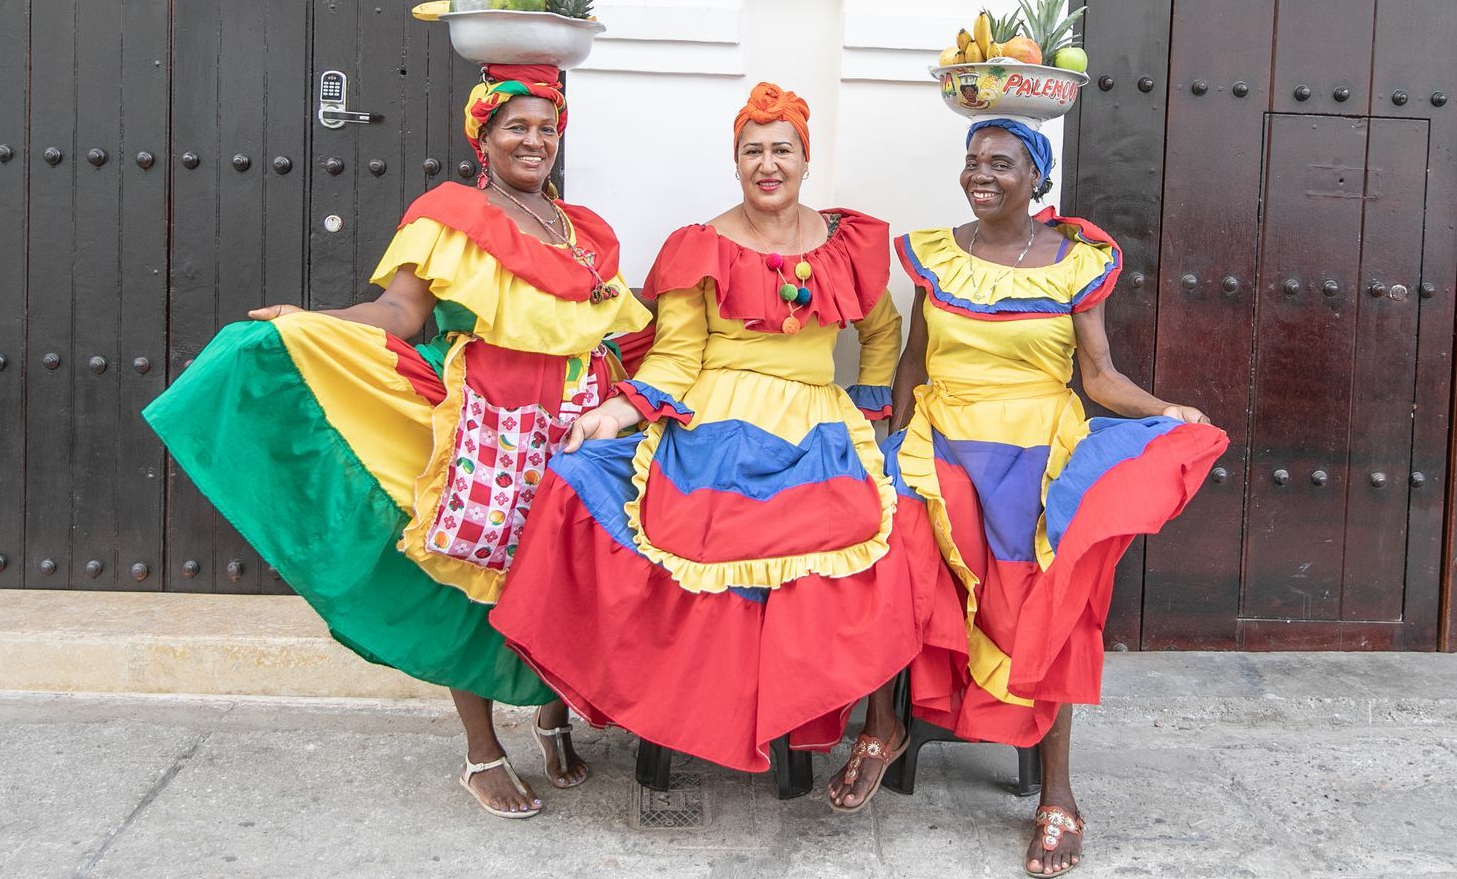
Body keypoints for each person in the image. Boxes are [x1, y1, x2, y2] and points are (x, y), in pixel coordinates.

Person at [143, 65, 649, 820]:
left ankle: (552, 714)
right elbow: (400, 312)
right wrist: (313, 321)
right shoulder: (447, 216)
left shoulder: (583, 233)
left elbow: (626, 328)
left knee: (565, 577)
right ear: (484, 135)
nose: (534, 141)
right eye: (517, 127)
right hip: (490, 426)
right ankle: (481, 753)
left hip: (575, 429)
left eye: (546, 128)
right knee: (466, 585)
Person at [825, 116, 1228, 876]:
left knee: (1053, 593)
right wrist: (891, 438)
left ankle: (1059, 795)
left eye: (1000, 163)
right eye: (972, 160)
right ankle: (883, 727)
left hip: (1035, 448)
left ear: (1036, 178)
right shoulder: (938, 256)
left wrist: (1163, 410)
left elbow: (1098, 376)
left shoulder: (1075, 264)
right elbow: (915, 357)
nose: (981, 174)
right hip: (940, 439)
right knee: (889, 540)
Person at [492, 82, 918, 774]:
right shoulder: (700, 245)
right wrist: (619, 410)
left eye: (782, 149)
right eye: (753, 151)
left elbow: (881, 331)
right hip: (714, 415)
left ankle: (851, 717)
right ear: (736, 162)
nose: (767, 164)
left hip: (815, 416)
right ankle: (613, 695)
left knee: (887, 521)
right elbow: (677, 355)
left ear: (806, 159)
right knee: (577, 479)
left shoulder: (846, 242)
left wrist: (870, 414)